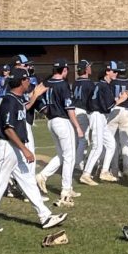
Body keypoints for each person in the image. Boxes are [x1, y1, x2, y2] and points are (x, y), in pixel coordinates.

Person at [0, 68, 67, 233]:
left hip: (15, 148)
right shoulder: (9, 101)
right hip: (8, 147)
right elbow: (8, 129)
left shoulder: (16, 99)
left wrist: (35, 96)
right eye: (27, 80)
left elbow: (23, 109)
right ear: (21, 82)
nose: (29, 83)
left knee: (27, 181)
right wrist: (25, 150)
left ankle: (45, 216)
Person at [36, 59, 84, 206]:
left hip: (51, 121)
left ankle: (44, 176)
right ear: (64, 70)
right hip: (62, 121)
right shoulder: (63, 84)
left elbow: (38, 99)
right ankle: (65, 190)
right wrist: (77, 126)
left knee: (63, 155)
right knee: (69, 156)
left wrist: (45, 111)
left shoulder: (47, 83)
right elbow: (69, 108)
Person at [80, 61, 128, 185]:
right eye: (114, 71)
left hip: (99, 116)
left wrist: (116, 99)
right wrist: (122, 99)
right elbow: (109, 106)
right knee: (97, 147)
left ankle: (104, 171)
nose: (116, 73)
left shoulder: (101, 85)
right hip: (97, 115)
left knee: (111, 144)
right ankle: (86, 174)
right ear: (107, 72)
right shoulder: (104, 86)